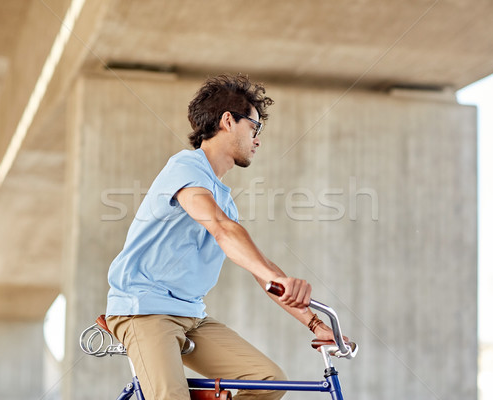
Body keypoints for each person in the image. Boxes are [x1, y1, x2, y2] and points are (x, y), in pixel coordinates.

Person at [106, 74, 336, 400]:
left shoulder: (224, 199)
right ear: (228, 121)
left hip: (192, 318)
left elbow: (260, 270)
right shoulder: (185, 167)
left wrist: (315, 323)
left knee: (267, 380)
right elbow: (222, 229)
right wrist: (274, 277)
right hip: (144, 310)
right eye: (255, 128)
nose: (258, 139)